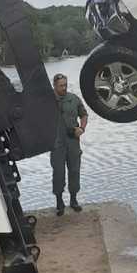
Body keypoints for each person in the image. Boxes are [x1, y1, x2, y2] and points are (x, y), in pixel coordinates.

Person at [50, 73, 88, 216]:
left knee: (74, 170)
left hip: (73, 141)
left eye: (65, 85)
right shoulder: (47, 101)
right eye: (61, 86)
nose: (64, 88)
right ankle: (59, 202)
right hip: (56, 143)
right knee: (58, 173)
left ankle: (73, 200)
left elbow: (84, 114)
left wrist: (82, 128)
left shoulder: (73, 99)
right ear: (54, 85)